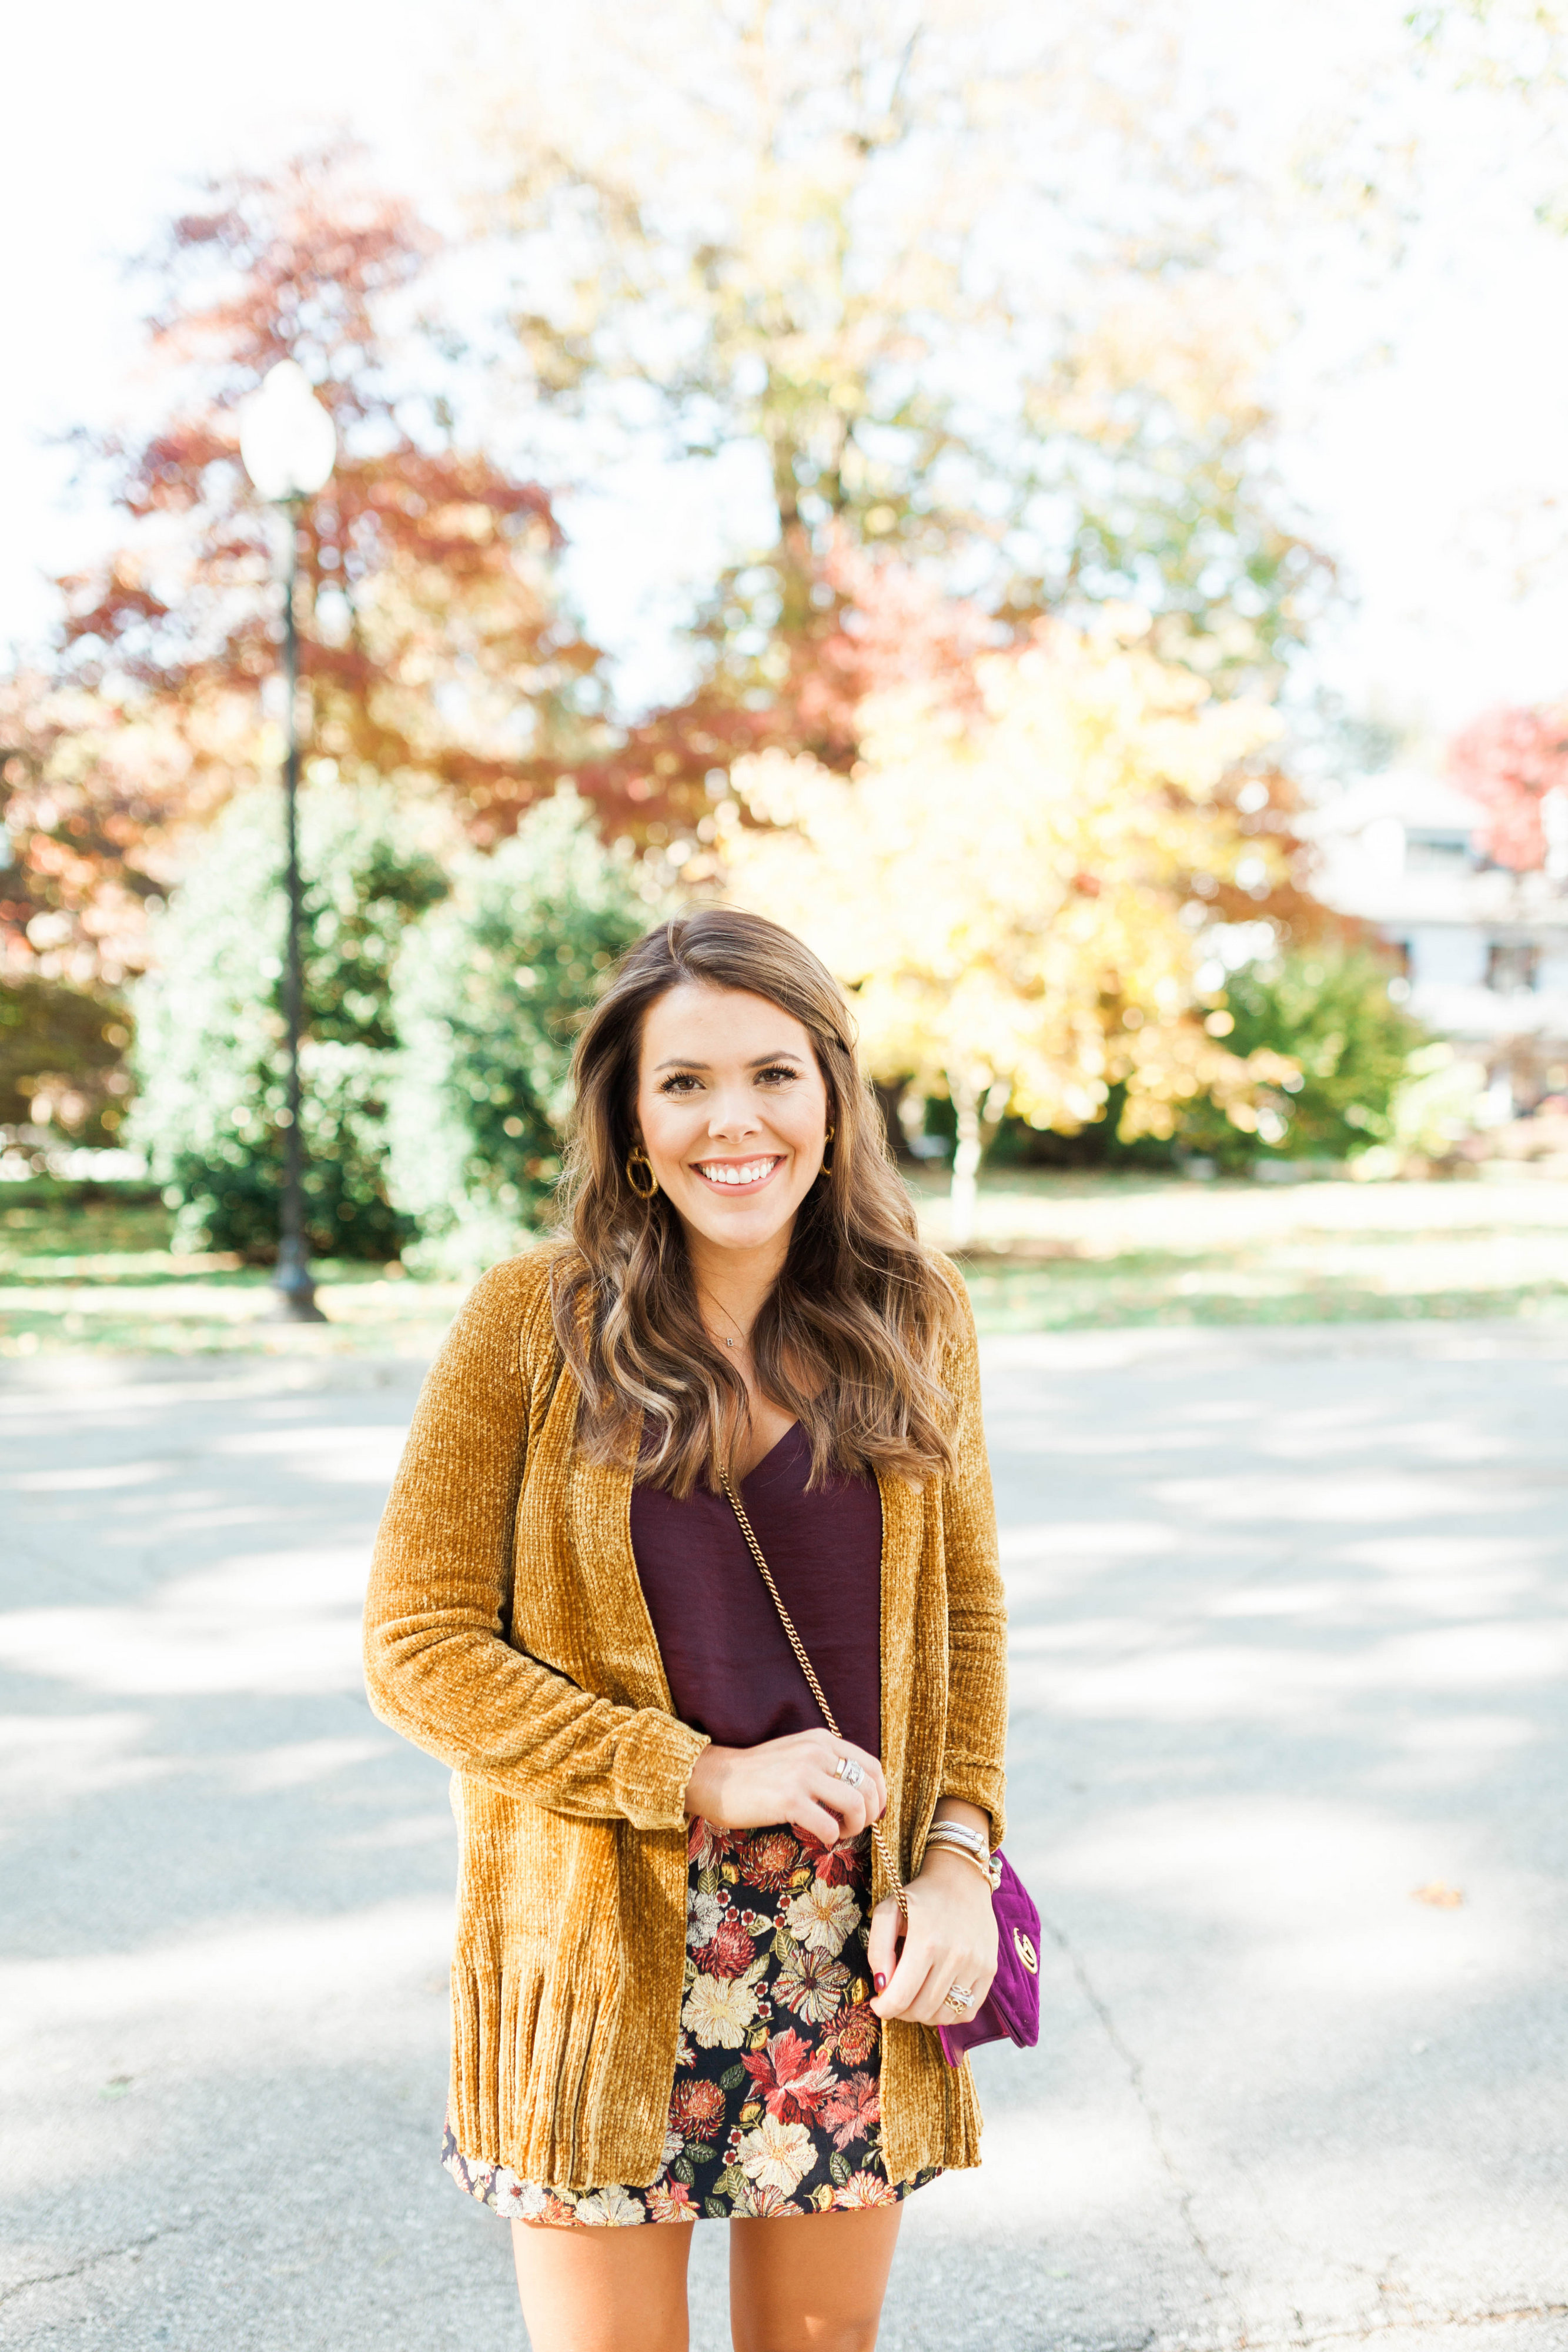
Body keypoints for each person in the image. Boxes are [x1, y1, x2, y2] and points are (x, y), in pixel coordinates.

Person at [363, 908, 1009, 2352]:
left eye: (775, 1074)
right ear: (631, 1123)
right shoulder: (532, 1323)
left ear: (832, 1100)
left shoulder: (915, 1313)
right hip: (603, 1941)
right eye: (685, 1082)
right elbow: (419, 1642)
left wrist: (962, 1858)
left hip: (856, 1945)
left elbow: (962, 1620)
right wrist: (703, 1773)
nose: (736, 1120)